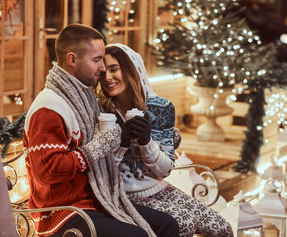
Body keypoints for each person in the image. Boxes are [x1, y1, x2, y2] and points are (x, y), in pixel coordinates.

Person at [23, 24, 179, 237]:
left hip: (97, 198)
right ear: (72, 60)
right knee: (138, 235)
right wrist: (104, 143)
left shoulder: (85, 98)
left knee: (167, 225)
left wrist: (126, 141)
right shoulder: (49, 108)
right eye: (96, 60)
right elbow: (48, 172)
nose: (103, 68)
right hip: (62, 212)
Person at [97, 43, 234, 237]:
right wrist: (122, 142)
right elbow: (103, 171)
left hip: (159, 188)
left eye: (114, 69)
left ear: (131, 69)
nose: (107, 78)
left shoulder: (160, 108)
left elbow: (166, 169)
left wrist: (146, 142)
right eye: (102, 73)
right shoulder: (102, 113)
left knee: (222, 229)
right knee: (184, 223)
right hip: (123, 196)